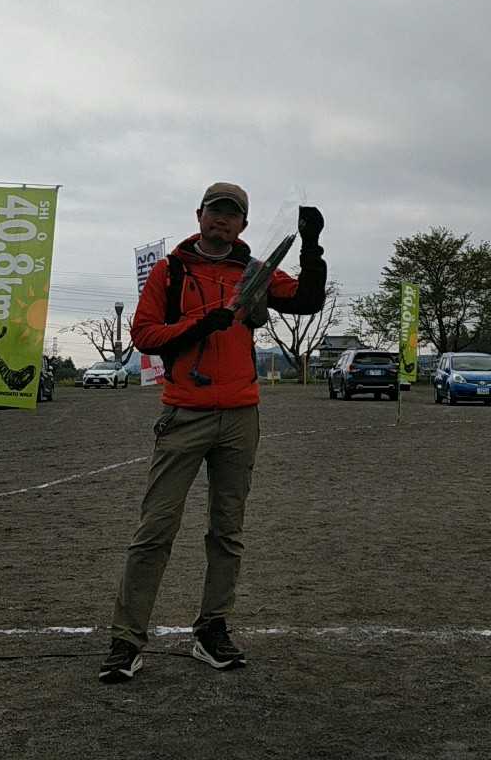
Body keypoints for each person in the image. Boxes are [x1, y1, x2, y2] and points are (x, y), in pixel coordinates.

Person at [98, 182, 326, 683]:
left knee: (228, 531)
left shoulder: (255, 272)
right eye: (215, 211)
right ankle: (126, 641)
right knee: (155, 529)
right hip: (184, 413)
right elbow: (144, 335)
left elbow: (307, 300)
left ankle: (212, 629)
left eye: (232, 214)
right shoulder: (171, 271)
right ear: (199, 214)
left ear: (243, 224)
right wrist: (202, 323)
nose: (222, 220)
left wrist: (311, 246)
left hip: (241, 415)